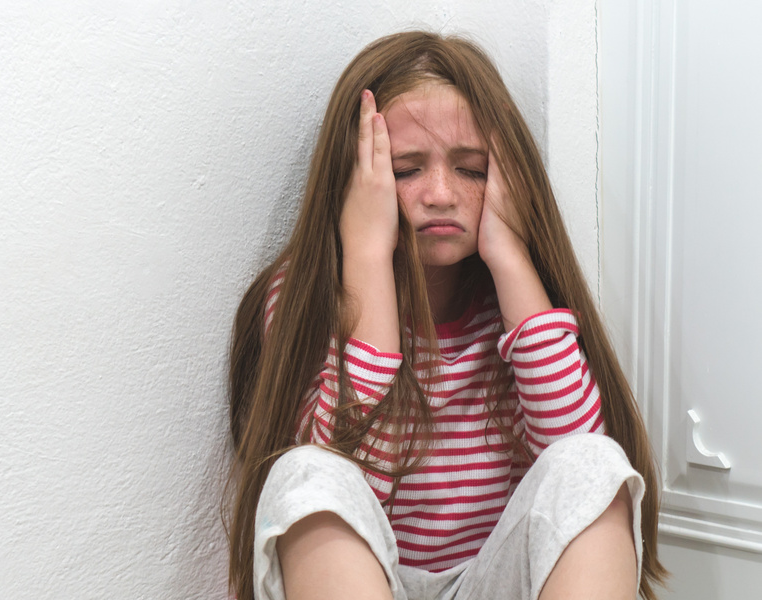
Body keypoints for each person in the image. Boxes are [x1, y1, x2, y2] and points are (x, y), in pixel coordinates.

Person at [226, 31, 667, 600]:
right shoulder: (305, 295)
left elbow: (574, 472)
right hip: (372, 581)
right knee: (309, 472)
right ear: (353, 181)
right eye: (406, 170)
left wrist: (509, 251)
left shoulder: (509, 306)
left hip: (493, 581)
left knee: (590, 460)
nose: (440, 193)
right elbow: (351, 484)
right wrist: (366, 259)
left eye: (472, 169)